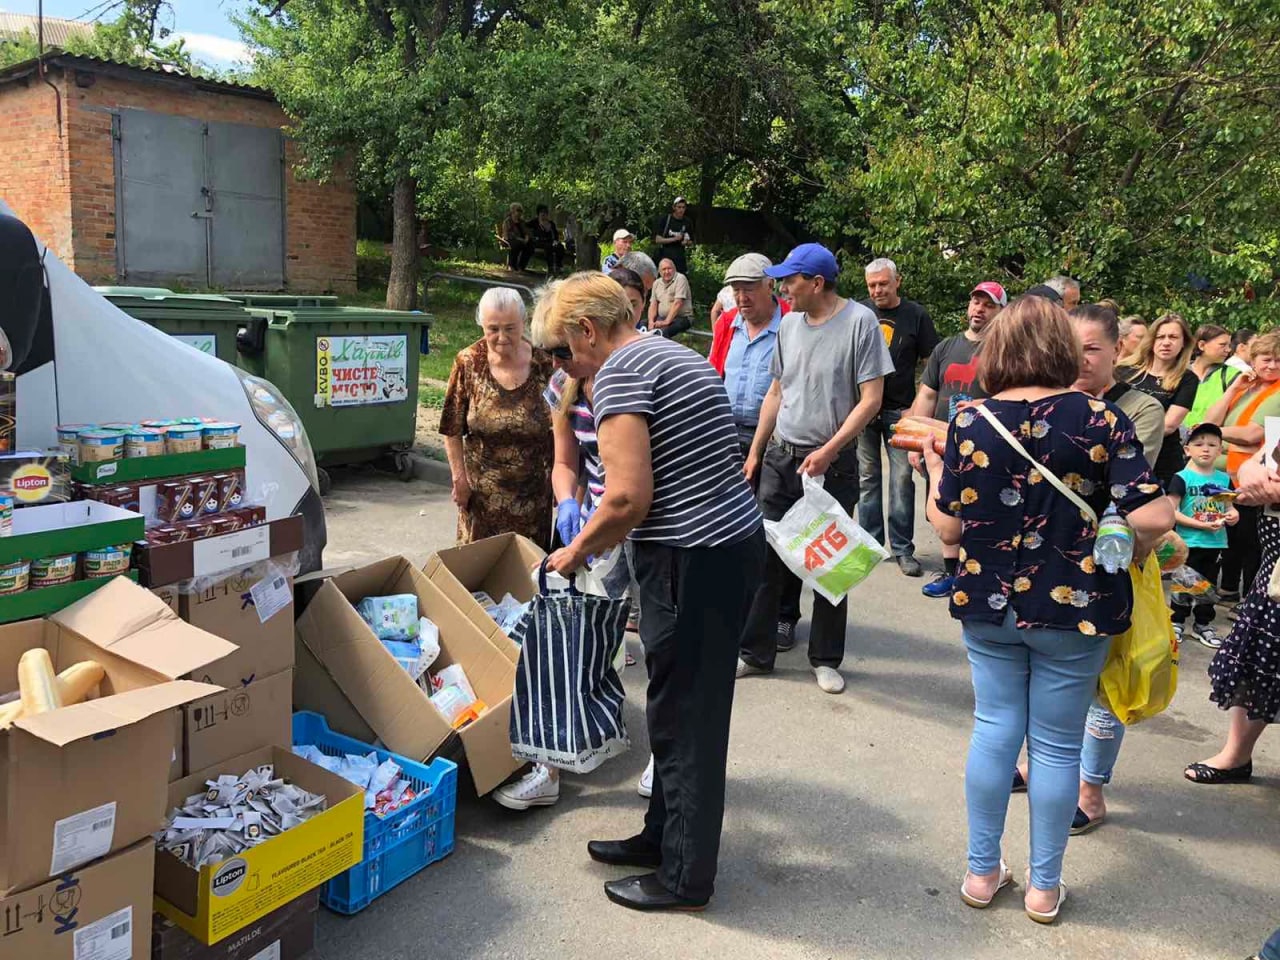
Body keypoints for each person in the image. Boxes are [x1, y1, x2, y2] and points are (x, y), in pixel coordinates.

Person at [920, 296, 1171, 924]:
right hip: (1074, 607)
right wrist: (1120, 542)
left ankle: (981, 874)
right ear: (1062, 348)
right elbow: (1152, 518)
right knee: (1057, 748)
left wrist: (932, 472)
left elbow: (947, 531)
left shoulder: (970, 420)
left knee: (993, 730)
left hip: (987, 604)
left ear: (999, 348)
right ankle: (1042, 887)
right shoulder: (1101, 420)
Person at [535, 272, 765, 913]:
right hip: (722, 550)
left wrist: (576, 549)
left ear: (588, 329)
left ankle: (685, 878)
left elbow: (630, 496)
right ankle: (661, 837)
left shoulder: (621, 372)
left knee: (686, 718)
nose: (563, 365)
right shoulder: (672, 352)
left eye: (563, 349)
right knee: (675, 708)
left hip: (693, 561)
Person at [1010, 303, 1167, 836]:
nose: (1078, 359)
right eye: (1069, 349)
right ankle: (1040, 762)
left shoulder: (1135, 409)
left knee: (1109, 683)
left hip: (1119, 562)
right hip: (1050, 566)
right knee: (1046, 676)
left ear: (1118, 350)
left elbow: (1125, 494)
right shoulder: (1052, 403)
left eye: (1091, 349)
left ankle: (1091, 788)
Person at [737, 243, 893, 694]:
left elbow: (872, 400)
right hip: (782, 458)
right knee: (766, 559)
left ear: (817, 283)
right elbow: (775, 392)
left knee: (829, 562)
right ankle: (755, 653)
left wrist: (830, 449)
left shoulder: (860, 323)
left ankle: (825, 658)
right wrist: (756, 453)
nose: (782, 287)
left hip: (833, 464)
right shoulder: (788, 324)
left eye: (790, 280)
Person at [1184, 447, 1280, 786]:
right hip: (1274, 573)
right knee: (1257, 660)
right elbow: (1262, 454)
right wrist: (1254, 471)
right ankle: (1236, 755)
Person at [909, 281, 1005, 598]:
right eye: (976, 302)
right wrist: (913, 437)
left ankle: (975, 574)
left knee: (978, 511)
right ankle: (951, 574)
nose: (979, 309)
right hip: (940, 443)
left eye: (988, 304)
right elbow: (927, 393)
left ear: (1001, 311)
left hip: (984, 445)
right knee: (943, 507)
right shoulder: (946, 347)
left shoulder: (1006, 350)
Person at [439, 287, 554, 547]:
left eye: (510, 328)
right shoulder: (469, 363)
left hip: (533, 499)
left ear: (524, 323)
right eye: (493, 329)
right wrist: (459, 479)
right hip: (481, 499)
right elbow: (451, 428)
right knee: (478, 576)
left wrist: (561, 479)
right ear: (481, 325)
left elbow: (561, 428)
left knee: (529, 576)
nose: (501, 337)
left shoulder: (545, 363)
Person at [858, 257, 939, 577]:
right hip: (864, 409)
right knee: (867, 478)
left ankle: (903, 549)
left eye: (883, 283)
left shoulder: (916, 315)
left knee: (903, 479)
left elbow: (932, 364)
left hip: (902, 410)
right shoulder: (860, 313)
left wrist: (918, 405)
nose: (877, 290)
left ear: (897, 282)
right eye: (872, 285)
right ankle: (869, 546)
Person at [1199, 331, 1280, 606]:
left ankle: (1247, 597)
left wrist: (1210, 433)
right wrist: (1233, 389)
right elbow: (1211, 416)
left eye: (1278, 361)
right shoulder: (1247, 386)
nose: (1272, 366)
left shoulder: (1277, 391)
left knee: (1247, 539)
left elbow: (1251, 434)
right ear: (1253, 359)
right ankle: (1229, 589)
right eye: (1266, 359)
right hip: (1220, 474)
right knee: (1225, 536)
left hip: (1246, 476)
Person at [1166, 423, 1239, 647]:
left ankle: (1203, 623)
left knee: (1207, 584)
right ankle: (1176, 620)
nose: (1205, 449)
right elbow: (1172, 511)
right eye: (1198, 444)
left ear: (1220, 450)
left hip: (1215, 542)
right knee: (1183, 582)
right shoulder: (1182, 478)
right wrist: (1199, 524)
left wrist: (1233, 515)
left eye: (1211, 445)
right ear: (1187, 450)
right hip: (1188, 542)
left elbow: (1229, 508)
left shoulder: (1223, 479)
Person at [1116, 312, 1199, 484]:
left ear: (1184, 342)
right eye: (1161, 336)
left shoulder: (1187, 379)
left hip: (1162, 462)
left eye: (1173, 337)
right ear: (1151, 340)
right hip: (1115, 452)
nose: (1166, 342)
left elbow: (1169, 425)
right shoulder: (1123, 370)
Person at [1186, 324, 1238, 428]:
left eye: (1229, 346)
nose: (1228, 350)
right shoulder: (1179, 373)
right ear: (1201, 345)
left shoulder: (1232, 375)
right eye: (1222, 345)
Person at [647, 258, 694, 338]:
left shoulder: (680, 278)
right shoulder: (656, 283)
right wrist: (651, 321)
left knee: (661, 333)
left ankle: (663, 350)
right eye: (664, 269)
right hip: (662, 317)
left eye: (669, 268)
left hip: (682, 318)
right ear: (659, 272)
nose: (667, 272)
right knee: (642, 326)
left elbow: (678, 303)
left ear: (674, 269)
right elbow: (653, 304)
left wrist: (666, 321)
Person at [650, 197, 692, 274]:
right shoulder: (665, 219)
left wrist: (686, 242)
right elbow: (658, 240)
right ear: (674, 207)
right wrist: (674, 239)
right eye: (679, 207)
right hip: (664, 257)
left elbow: (690, 241)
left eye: (683, 207)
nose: (681, 210)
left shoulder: (687, 222)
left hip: (680, 260)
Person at [528, 205, 565, 275]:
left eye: (545, 213)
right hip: (538, 242)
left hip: (550, 242)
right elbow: (524, 226)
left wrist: (555, 241)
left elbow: (555, 235)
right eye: (542, 213)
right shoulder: (534, 222)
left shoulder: (551, 224)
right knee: (549, 247)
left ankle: (559, 266)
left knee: (560, 247)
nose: (543, 215)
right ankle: (550, 267)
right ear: (538, 214)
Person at [501, 203, 532, 271]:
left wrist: (526, 238)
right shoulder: (508, 221)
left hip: (522, 241)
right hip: (509, 239)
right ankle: (512, 265)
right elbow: (508, 234)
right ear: (512, 211)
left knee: (530, 246)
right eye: (518, 210)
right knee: (516, 244)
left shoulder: (522, 222)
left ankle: (521, 266)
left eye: (521, 211)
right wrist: (520, 239)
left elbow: (527, 232)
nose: (519, 212)